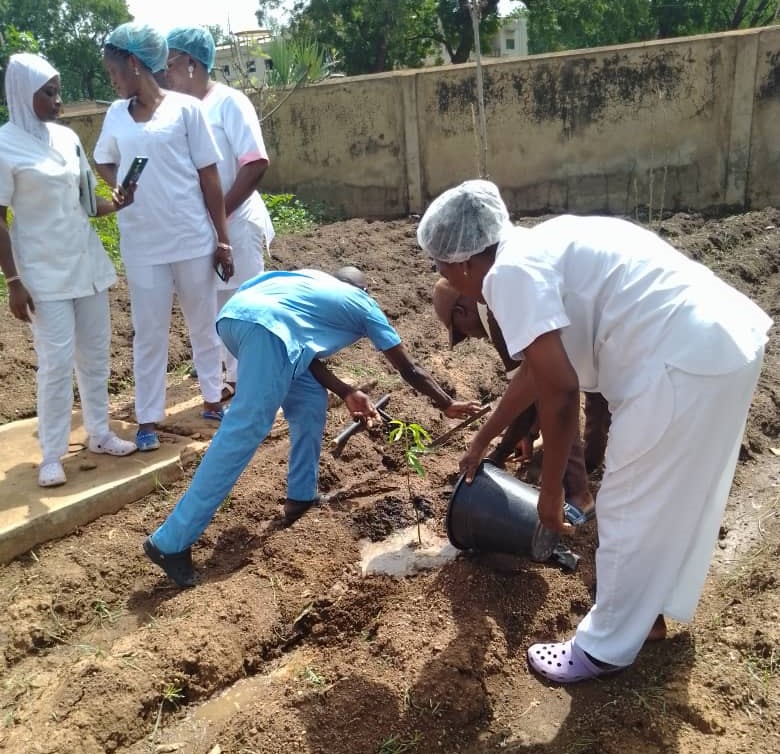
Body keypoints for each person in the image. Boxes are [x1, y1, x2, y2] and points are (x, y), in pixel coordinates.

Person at [417, 179, 771, 683]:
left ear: (463, 262)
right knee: (677, 499)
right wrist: (481, 439)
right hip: (723, 342)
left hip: (677, 364)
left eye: (441, 265)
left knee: (627, 507)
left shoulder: (506, 276)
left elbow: (560, 395)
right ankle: (645, 616)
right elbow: (534, 372)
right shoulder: (539, 245)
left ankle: (602, 649)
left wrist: (548, 493)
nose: (445, 274)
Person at [143, 267, 482, 587]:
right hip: (268, 329)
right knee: (245, 429)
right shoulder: (364, 303)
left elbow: (304, 353)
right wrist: (446, 403)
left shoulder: (312, 281)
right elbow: (409, 370)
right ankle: (171, 541)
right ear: (363, 290)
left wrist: (347, 392)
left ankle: (300, 497)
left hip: (238, 319)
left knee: (308, 403)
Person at [94, 22, 233, 452]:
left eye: (114, 71)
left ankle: (212, 397)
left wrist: (222, 238)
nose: (112, 79)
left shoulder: (185, 110)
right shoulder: (116, 115)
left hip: (190, 237)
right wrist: (118, 186)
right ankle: (148, 417)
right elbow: (103, 160)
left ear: (134, 63)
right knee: (149, 332)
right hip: (141, 244)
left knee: (202, 323)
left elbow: (209, 176)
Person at [0, 53, 137, 488]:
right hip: (40, 273)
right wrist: (13, 281)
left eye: (59, 91)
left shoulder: (67, 138)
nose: (59, 101)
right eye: (49, 93)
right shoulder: (4, 146)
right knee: (56, 362)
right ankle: (52, 454)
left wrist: (114, 203)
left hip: (86, 263)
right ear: (24, 95)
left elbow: (84, 203)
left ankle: (99, 433)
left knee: (95, 357)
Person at [164, 26, 276, 402]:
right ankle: (234, 379)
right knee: (216, 308)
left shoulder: (228, 102)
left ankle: (257, 383)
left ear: (193, 64)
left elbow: (255, 162)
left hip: (236, 223)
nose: (165, 72)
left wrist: (219, 217)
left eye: (172, 63)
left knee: (245, 305)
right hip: (201, 230)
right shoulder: (178, 110)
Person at [431, 277, 603, 521]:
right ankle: (592, 463)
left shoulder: (494, 313)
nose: (472, 337)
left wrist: (495, 455)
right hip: (597, 333)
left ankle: (578, 492)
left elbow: (536, 387)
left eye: (462, 330)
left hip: (610, 339)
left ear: (462, 311)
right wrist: (528, 434)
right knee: (596, 393)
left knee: (555, 399)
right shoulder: (499, 291)